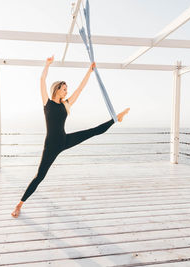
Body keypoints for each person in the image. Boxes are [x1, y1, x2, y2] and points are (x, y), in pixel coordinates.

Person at [11, 55, 130, 218]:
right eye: (64, 88)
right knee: (40, 176)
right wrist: (47, 65)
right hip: (51, 145)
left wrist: (89, 71)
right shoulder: (47, 103)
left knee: (93, 131)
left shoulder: (66, 104)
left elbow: (80, 89)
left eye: (67, 89)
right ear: (57, 89)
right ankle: (19, 205)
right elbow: (42, 79)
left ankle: (116, 118)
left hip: (64, 140)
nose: (67, 91)